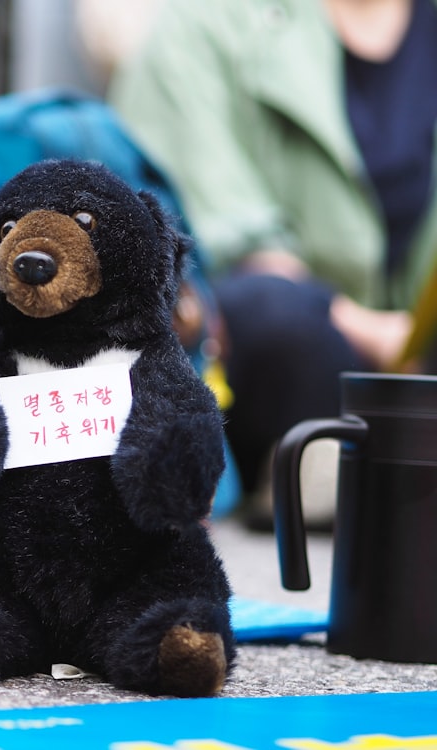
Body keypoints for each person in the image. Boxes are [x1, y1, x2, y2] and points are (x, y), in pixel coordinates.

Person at [109, 0, 435, 525]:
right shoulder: (205, 24)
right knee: (276, 319)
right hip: (275, 321)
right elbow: (215, 234)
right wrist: (379, 334)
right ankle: (314, 466)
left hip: (410, 341)